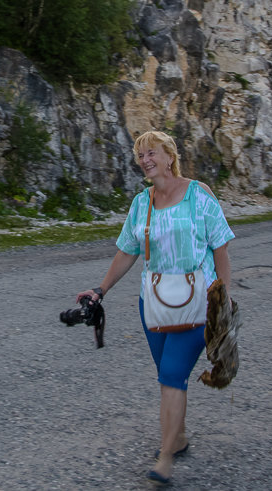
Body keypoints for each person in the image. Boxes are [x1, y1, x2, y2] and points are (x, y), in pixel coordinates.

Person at [76, 130, 235, 485]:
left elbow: (221, 246)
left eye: (151, 153)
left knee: (171, 376)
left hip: (197, 302)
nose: (145, 160)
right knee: (170, 376)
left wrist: (221, 299)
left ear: (169, 156)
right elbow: (127, 251)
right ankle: (177, 438)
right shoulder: (141, 203)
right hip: (154, 303)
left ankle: (165, 458)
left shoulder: (199, 194)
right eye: (140, 155)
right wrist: (100, 289)